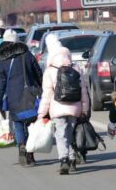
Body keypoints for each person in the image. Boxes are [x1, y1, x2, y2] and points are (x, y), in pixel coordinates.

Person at [37, 34, 90, 175]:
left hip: (57, 108)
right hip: (75, 108)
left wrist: (41, 114)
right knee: (71, 133)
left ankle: (64, 159)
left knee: (61, 135)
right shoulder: (76, 68)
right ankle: (72, 160)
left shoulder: (49, 71)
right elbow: (84, 92)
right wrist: (85, 110)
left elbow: (47, 95)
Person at [0, 29, 43, 167]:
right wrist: (42, 89)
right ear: (17, 40)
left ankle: (21, 145)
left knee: (18, 123)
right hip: (30, 95)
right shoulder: (27, 54)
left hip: (13, 97)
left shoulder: (2, 59)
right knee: (32, 124)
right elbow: (38, 73)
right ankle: (30, 154)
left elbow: (0, 83)